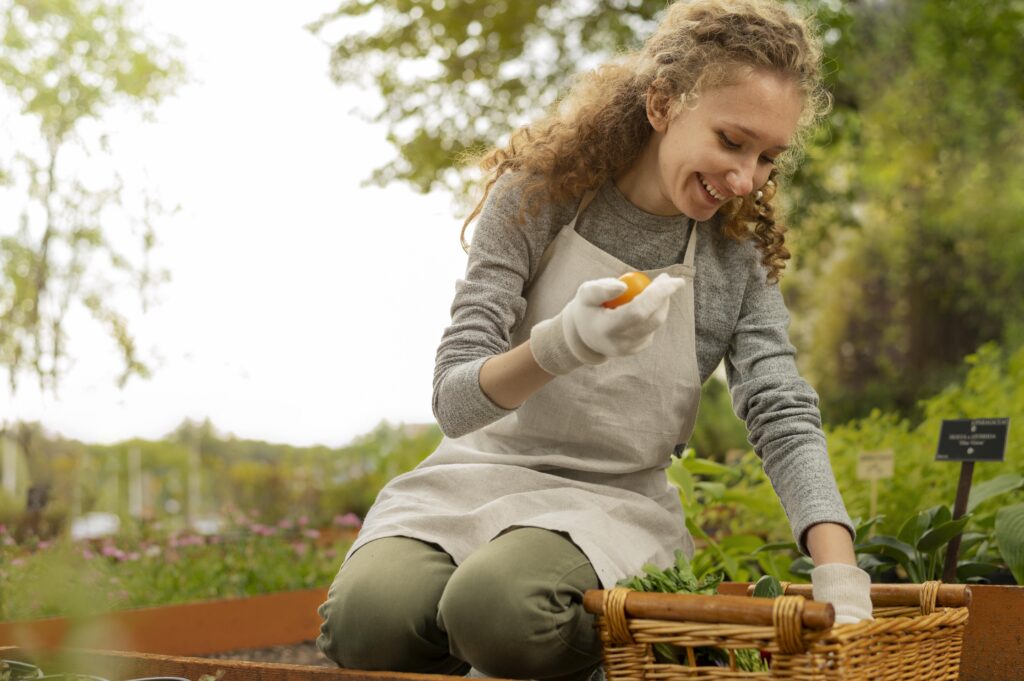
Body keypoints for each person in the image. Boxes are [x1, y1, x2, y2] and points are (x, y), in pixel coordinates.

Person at [317, 0, 873, 678]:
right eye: (731, 141)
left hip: (614, 503)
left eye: (767, 156)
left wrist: (839, 573)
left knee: (498, 610)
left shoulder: (736, 252)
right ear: (663, 103)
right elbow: (454, 402)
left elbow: (780, 408)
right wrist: (562, 345)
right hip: (474, 474)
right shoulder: (538, 196)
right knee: (367, 621)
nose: (745, 179)